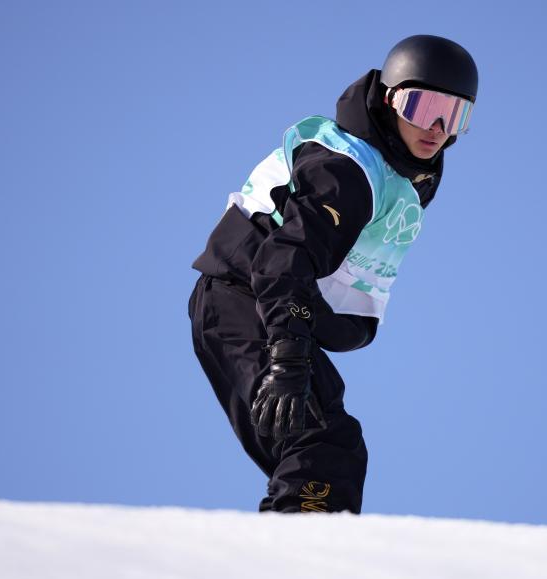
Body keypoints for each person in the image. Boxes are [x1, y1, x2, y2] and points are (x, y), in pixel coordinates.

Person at [188, 35, 478, 514]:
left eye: (456, 116)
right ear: (390, 101)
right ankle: (299, 556)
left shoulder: (397, 177)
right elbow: (285, 259)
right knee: (320, 443)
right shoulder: (347, 172)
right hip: (247, 301)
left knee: (327, 446)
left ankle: (303, 545)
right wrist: (287, 358)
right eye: (422, 107)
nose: (438, 129)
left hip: (258, 307)